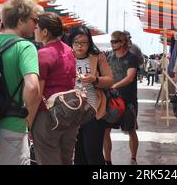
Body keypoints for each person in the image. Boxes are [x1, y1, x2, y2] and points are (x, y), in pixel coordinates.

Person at [0, 0, 43, 165]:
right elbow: (33, 87)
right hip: (12, 127)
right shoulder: (25, 47)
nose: (36, 25)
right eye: (34, 20)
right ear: (21, 21)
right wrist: (27, 118)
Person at [31, 12, 78, 165]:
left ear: (45, 32)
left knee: (48, 160)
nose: (34, 30)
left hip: (48, 116)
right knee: (66, 160)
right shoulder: (69, 51)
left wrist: (29, 122)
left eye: (37, 27)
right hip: (70, 112)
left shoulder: (43, 54)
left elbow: (37, 93)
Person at [71, 26, 114, 165]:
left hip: (94, 110)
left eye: (84, 42)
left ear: (89, 43)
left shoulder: (98, 57)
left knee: (93, 153)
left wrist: (95, 79)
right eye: (76, 42)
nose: (80, 46)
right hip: (71, 112)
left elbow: (110, 80)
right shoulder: (66, 57)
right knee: (78, 155)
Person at [104, 31, 139, 165]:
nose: (111, 44)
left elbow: (130, 78)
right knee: (106, 131)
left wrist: (114, 85)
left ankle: (133, 158)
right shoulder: (109, 58)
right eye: (111, 41)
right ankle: (108, 161)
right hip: (111, 100)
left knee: (130, 130)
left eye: (114, 41)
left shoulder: (132, 58)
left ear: (122, 42)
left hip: (128, 100)